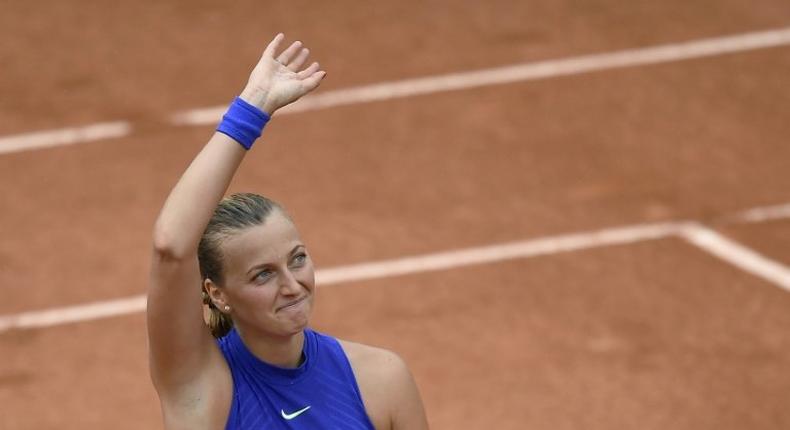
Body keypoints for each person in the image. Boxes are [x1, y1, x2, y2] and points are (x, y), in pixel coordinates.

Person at [147, 33, 429, 429]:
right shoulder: (203, 387)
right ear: (217, 293)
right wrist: (251, 110)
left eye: (296, 260)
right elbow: (171, 247)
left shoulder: (382, 380)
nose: (293, 285)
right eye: (263, 274)